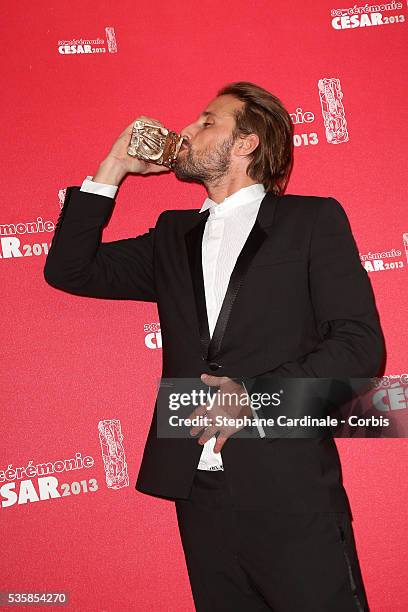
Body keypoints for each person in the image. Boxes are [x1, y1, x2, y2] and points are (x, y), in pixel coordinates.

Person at [44, 81, 385, 611]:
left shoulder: (310, 221)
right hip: (197, 493)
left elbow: (359, 346)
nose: (186, 131)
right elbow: (69, 269)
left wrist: (254, 394)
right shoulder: (171, 236)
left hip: (289, 488)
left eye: (207, 121)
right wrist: (114, 167)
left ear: (246, 143)